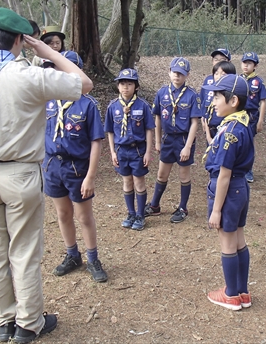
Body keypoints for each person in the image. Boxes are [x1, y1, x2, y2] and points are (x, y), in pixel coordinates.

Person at [0, 8, 93, 343]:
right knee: (23, 251)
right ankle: (28, 324)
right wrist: (48, 50)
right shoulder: (31, 75)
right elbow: (84, 84)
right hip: (21, 175)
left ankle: (4, 321)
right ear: (19, 40)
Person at [42, 51, 108, 283]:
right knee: (63, 213)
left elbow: (96, 142)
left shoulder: (87, 104)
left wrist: (90, 176)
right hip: (52, 165)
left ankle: (93, 258)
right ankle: (72, 254)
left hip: (77, 167)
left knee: (84, 215)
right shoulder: (48, 102)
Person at [201, 74, 254, 310]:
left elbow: (223, 175)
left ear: (233, 101)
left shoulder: (230, 132)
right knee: (239, 239)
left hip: (228, 190)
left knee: (227, 242)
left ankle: (231, 294)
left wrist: (216, 210)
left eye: (217, 96)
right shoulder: (241, 123)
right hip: (240, 188)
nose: (213, 101)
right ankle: (243, 292)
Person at [145, 57, 202, 223]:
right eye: (175, 72)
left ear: (187, 75)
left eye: (181, 74)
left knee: (184, 175)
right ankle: (155, 205)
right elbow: (157, 118)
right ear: (169, 72)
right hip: (168, 139)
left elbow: (194, 123)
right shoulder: (162, 93)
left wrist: (188, 146)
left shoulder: (192, 95)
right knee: (162, 174)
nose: (177, 76)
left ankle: (183, 207)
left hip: (184, 140)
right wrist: (157, 141)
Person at [105, 68, 155, 230]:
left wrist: (148, 151)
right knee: (127, 182)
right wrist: (112, 152)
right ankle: (131, 212)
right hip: (121, 151)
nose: (126, 87)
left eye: (129, 84)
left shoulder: (143, 106)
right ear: (118, 87)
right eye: (122, 84)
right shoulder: (113, 107)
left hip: (138, 151)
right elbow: (110, 132)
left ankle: (141, 214)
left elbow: (149, 129)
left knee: (139, 182)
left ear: (136, 87)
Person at [240, 51, 266, 182]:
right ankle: (238, 169)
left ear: (255, 66)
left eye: (249, 63)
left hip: (251, 116)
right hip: (238, 116)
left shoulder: (258, 82)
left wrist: (260, 120)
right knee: (238, 142)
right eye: (244, 63)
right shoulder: (238, 79)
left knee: (248, 144)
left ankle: (248, 171)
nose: (246, 66)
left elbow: (263, 101)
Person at [201, 60, 237, 143]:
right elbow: (207, 115)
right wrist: (208, 137)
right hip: (211, 131)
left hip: (226, 132)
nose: (219, 76)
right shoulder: (212, 94)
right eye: (216, 73)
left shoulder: (232, 97)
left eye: (223, 74)